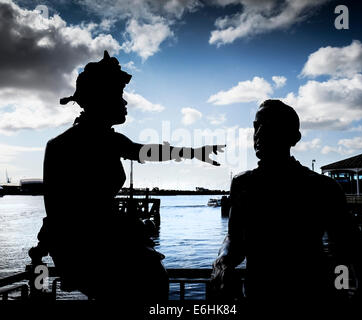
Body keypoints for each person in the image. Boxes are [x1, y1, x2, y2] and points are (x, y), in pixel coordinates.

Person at [30, 51, 225, 301]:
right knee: (148, 281)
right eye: (118, 95)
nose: (124, 103)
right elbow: (58, 211)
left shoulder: (104, 140)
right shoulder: (68, 145)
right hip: (92, 249)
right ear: (100, 98)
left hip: (103, 242)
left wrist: (193, 152)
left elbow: (149, 151)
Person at [211, 99, 362, 310]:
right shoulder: (243, 184)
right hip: (259, 298)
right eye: (257, 125)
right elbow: (234, 238)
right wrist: (223, 261)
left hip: (313, 299)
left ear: (294, 137)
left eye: (270, 124)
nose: (260, 132)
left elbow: (349, 248)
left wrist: (346, 291)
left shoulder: (322, 187)